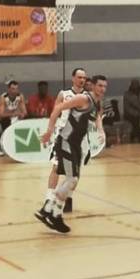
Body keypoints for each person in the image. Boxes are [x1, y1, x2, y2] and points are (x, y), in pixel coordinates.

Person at [37, 75, 106, 233]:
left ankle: (54, 213)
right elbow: (58, 108)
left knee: (73, 181)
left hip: (76, 145)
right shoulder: (83, 98)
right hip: (66, 141)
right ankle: (49, 209)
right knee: (71, 178)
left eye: (104, 86)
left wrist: (101, 131)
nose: (103, 89)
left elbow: (98, 117)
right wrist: (49, 131)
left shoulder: (97, 102)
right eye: (100, 86)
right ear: (92, 86)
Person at [35, 68, 87, 224]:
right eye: (79, 77)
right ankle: (48, 200)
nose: (82, 80)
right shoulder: (64, 94)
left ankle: (66, 199)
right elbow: (55, 113)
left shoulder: (87, 97)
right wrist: (49, 131)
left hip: (78, 139)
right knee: (56, 167)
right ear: (73, 78)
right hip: (63, 136)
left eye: (84, 78)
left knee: (74, 173)